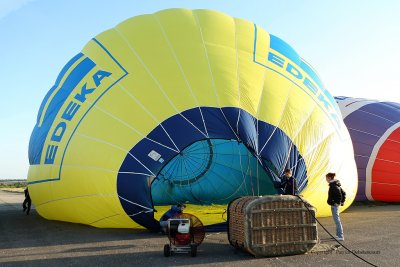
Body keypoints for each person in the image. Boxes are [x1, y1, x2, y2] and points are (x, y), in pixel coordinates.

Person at [326, 172, 346, 241]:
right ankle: (338, 235)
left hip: (335, 205)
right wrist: (342, 202)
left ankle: (340, 236)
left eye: (326, 178)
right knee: (336, 220)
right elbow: (344, 193)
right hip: (335, 205)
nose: (326, 180)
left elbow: (340, 195)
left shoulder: (334, 186)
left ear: (329, 178)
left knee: (337, 220)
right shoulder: (336, 185)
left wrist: (336, 203)